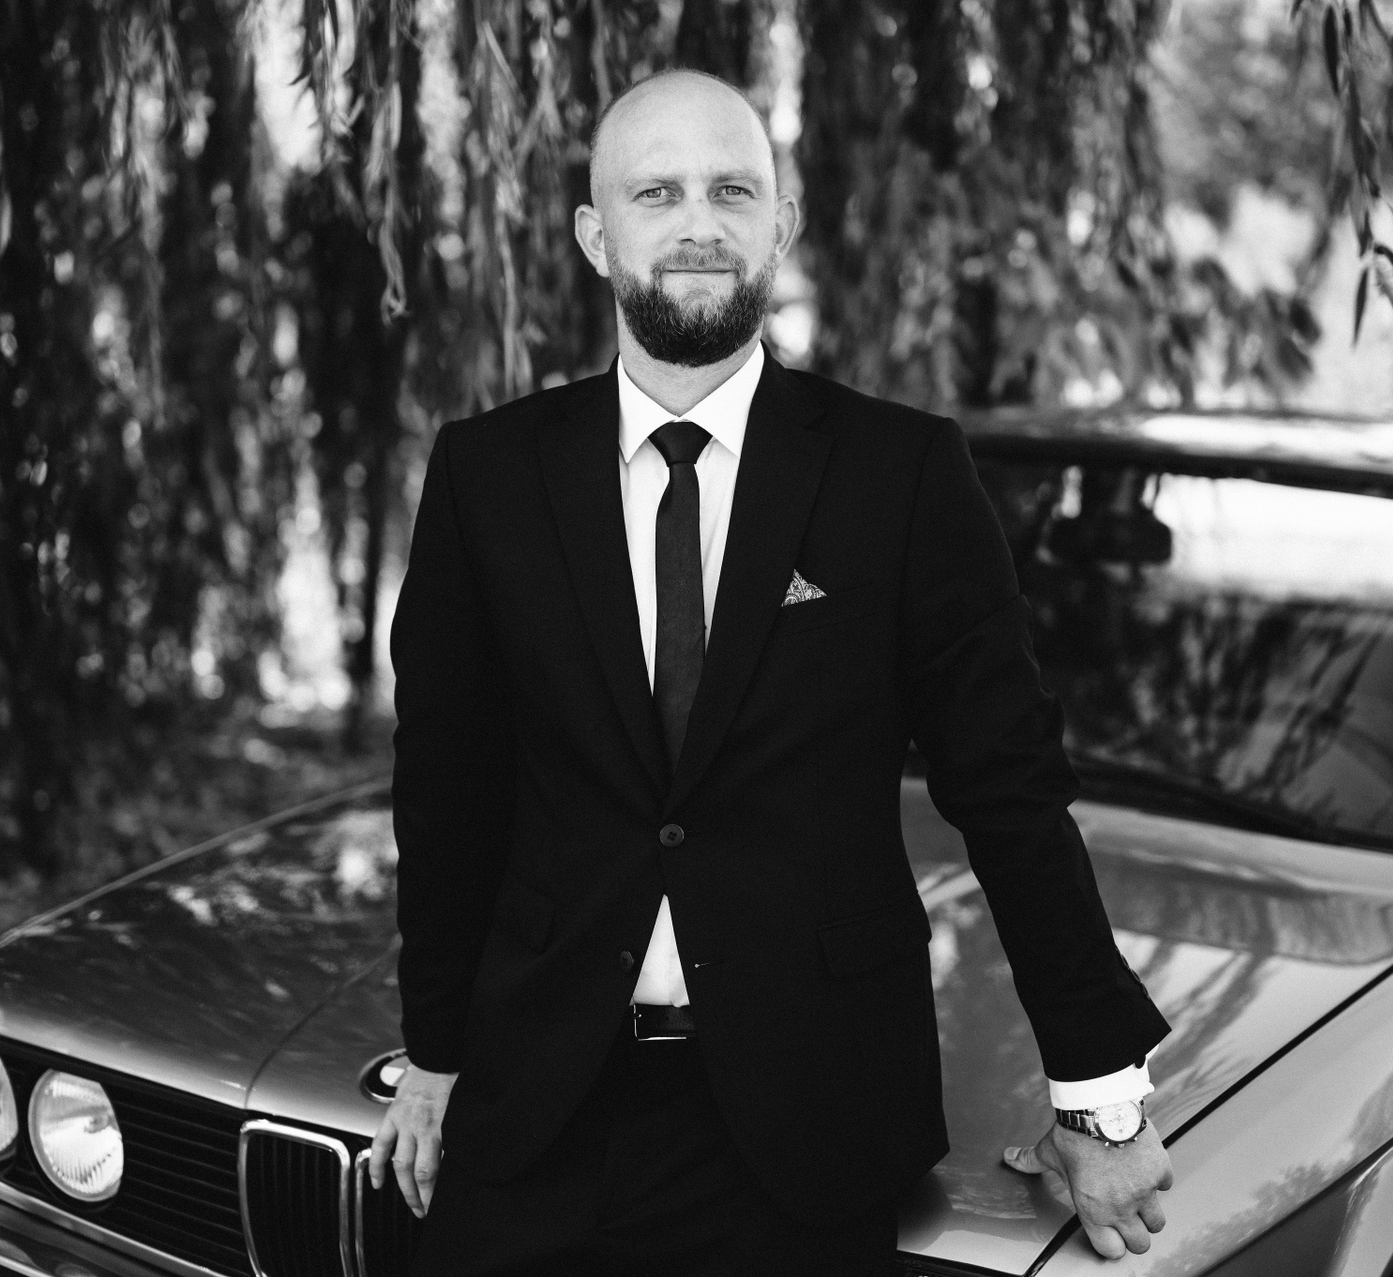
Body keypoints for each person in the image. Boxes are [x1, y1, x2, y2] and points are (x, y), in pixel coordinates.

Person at [374, 67, 1173, 1277]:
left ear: (781, 225)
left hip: (807, 1125)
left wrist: (1100, 1097)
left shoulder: (902, 476)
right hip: (534, 1111)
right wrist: (436, 1050)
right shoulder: (486, 475)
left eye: (733, 190)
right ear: (595, 235)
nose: (698, 223)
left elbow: (1010, 786)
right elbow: (446, 791)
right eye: (657, 193)